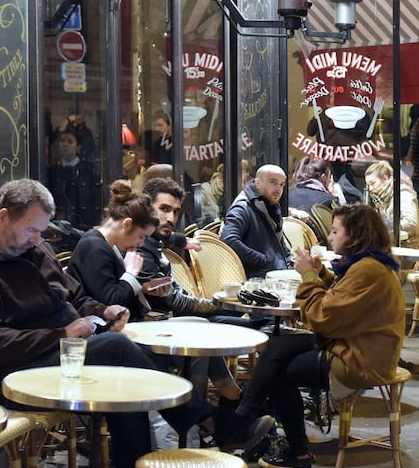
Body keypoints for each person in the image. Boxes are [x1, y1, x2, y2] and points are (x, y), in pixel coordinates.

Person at [0, 179, 214, 468]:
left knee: (125, 386)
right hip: (16, 376)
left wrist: (104, 309)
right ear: (3, 216)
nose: (38, 239)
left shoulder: (33, 251)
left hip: (61, 356)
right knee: (115, 350)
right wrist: (62, 335)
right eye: (32, 229)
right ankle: (204, 420)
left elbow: (74, 297)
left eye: (41, 231)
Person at [67, 179, 274, 451]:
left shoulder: (108, 243)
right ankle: (212, 426)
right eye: (141, 237)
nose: (141, 244)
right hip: (108, 342)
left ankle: (209, 427)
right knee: (192, 346)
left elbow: (109, 298)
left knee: (198, 336)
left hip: (127, 331)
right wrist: (131, 275)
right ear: (128, 225)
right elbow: (110, 300)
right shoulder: (96, 246)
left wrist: (174, 248)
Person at [235, 204, 404, 468]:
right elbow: (343, 302)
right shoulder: (370, 265)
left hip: (360, 360)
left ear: (356, 235)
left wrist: (308, 276)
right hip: (356, 345)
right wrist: (321, 274)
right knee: (278, 345)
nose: (331, 236)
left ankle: (292, 450)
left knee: (280, 372)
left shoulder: (368, 270)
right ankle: (245, 417)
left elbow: (323, 317)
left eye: (336, 231)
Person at [221, 164, 294, 277]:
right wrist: (264, 260)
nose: (278, 189)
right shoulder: (243, 207)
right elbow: (228, 240)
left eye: (281, 184)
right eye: (273, 182)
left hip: (277, 275)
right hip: (259, 281)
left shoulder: (270, 206)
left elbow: (279, 245)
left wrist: (292, 261)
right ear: (258, 183)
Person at [47, 129, 102, 230]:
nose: (65, 144)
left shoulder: (89, 170)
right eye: (62, 141)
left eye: (70, 141)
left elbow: (97, 198)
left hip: (85, 224)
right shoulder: (52, 171)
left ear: (78, 147)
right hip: (59, 225)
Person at [364, 160, 419, 247]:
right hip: (390, 242)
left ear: (385, 179)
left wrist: (387, 224)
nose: (370, 189)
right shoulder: (382, 197)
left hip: (406, 245)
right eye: (368, 185)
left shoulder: (403, 193)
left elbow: (411, 223)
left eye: (372, 183)